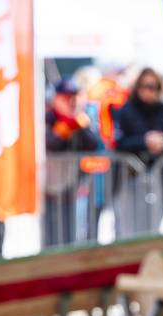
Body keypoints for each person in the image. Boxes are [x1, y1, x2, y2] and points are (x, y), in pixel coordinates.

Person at [111, 67, 163, 238]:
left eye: (152, 86)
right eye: (144, 86)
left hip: (158, 176)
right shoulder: (126, 110)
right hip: (130, 177)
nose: (148, 91)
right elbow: (118, 143)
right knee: (128, 229)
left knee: (154, 227)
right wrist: (144, 140)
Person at [44, 79, 102, 247]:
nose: (72, 101)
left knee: (77, 237)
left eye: (75, 96)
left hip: (75, 187)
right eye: (67, 97)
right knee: (51, 238)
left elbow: (95, 145)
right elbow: (52, 143)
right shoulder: (47, 117)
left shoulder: (84, 118)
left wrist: (79, 125)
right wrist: (67, 127)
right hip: (50, 188)